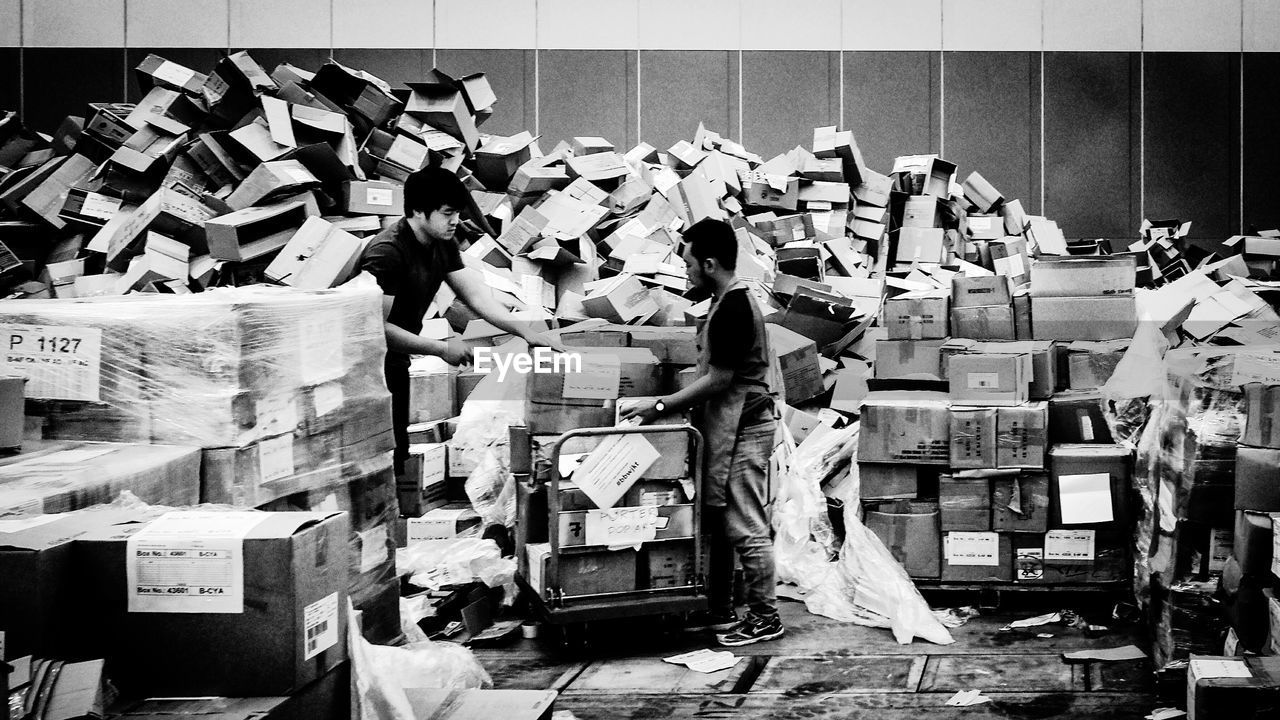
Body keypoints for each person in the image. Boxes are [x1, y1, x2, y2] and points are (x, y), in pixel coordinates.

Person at [620, 217, 783, 647]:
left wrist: (660, 406)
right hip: (729, 425)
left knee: (745, 523)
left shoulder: (733, 305)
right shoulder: (722, 298)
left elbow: (719, 379)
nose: (685, 270)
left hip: (745, 426)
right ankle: (722, 608)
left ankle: (766, 617)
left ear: (709, 263)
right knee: (722, 520)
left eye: (689, 262)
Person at [359, 166, 561, 476]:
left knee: (397, 453)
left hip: (395, 363)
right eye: (447, 213)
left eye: (457, 212)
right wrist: (440, 349)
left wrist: (526, 331)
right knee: (377, 458)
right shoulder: (388, 253)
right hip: (367, 373)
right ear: (418, 211)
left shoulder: (441, 243)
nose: (455, 220)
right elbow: (373, 330)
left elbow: (477, 298)